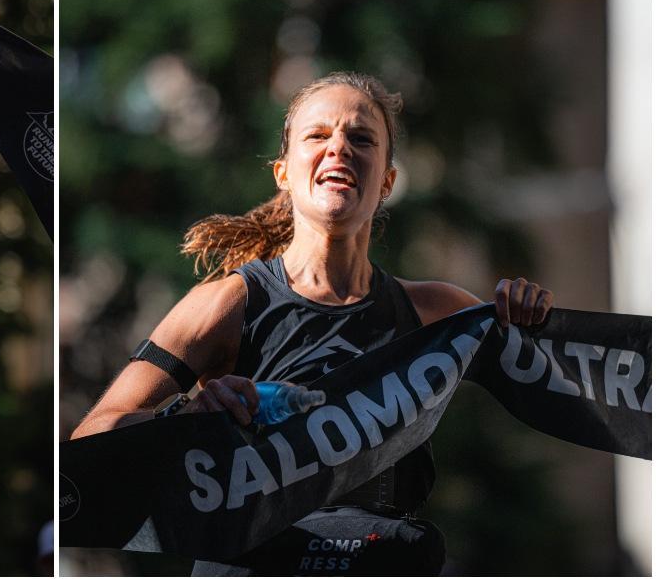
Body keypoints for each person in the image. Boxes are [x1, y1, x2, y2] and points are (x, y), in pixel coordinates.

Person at [70, 72, 554, 575]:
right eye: (318, 135)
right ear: (283, 173)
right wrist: (185, 417)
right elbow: (91, 440)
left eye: (361, 138)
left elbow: (566, 377)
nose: (339, 148)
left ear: (386, 181)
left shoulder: (436, 312)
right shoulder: (227, 304)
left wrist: (530, 319)